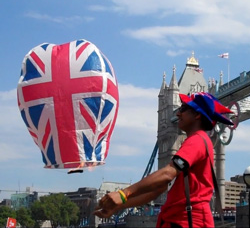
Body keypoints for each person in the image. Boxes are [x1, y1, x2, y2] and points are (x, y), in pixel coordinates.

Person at [93, 92, 234, 227]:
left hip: (187, 222)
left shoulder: (198, 140)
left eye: (183, 108)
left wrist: (124, 194)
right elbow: (159, 188)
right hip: (176, 221)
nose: (178, 113)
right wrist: (120, 205)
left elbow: (167, 174)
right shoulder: (196, 142)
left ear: (197, 115)